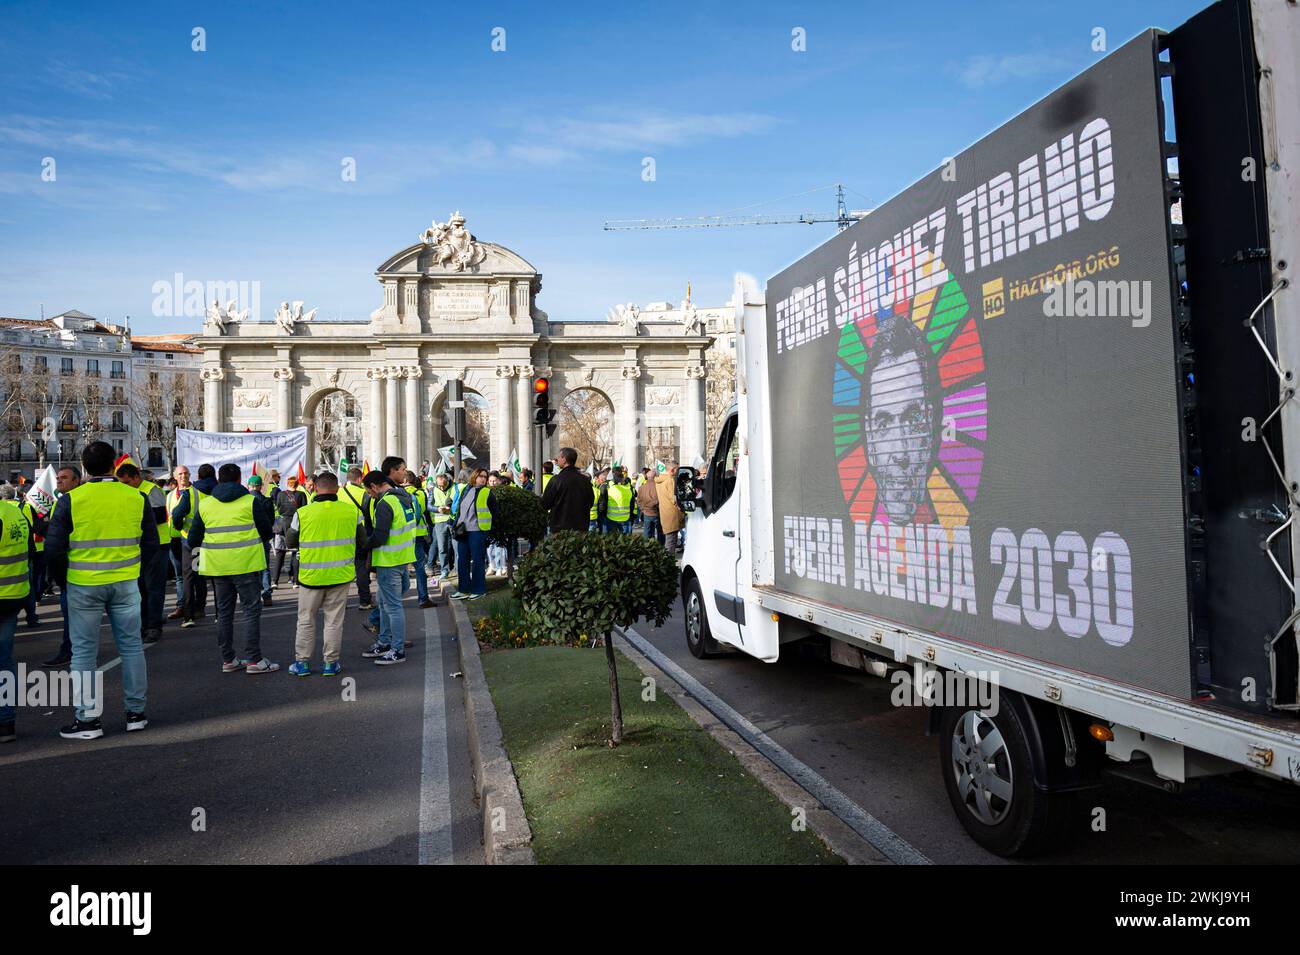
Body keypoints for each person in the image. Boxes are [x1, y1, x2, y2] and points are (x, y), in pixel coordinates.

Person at [44, 440, 159, 740]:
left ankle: (88, 720)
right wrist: (135, 571)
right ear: (114, 466)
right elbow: (150, 544)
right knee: (132, 647)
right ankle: (136, 713)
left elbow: (54, 549)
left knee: (83, 653)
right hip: (124, 583)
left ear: (83, 467)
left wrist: (63, 580)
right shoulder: (135, 497)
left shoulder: (70, 500)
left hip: (83, 584)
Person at [189, 462, 278, 674]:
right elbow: (267, 532)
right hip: (246, 564)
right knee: (250, 611)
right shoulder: (250, 502)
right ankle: (254, 659)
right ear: (240, 479)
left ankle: (228, 660)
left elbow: (193, 538)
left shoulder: (206, 504)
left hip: (218, 566)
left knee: (224, 613)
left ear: (218, 480)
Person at [286, 472, 366, 676]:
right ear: (337, 489)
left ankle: (302, 663)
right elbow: (362, 541)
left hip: (310, 577)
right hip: (340, 576)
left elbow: (290, 542)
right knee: (334, 621)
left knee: (305, 619)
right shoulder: (351, 512)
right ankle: (330, 663)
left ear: (315, 488)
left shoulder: (302, 513)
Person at [361, 464, 417, 665]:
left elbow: (380, 536)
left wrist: (363, 546)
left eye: (368, 491)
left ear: (375, 486)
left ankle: (397, 649)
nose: (369, 495)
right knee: (385, 605)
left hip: (389, 560)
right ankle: (385, 642)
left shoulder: (385, 503)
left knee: (392, 607)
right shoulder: (403, 498)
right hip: (401, 558)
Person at [116, 462, 170, 644]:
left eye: (127, 482)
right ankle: (144, 624)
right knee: (140, 590)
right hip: (139, 546)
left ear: (136, 478)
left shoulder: (150, 490)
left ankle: (153, 626)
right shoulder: (130, 493)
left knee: (153, 589)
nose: (124, 486)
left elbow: (160, 517)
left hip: (156, 546)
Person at [0, 491, 36, 742]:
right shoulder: (14, 511)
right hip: (14, 595)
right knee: (4, 660)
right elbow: (31, 552)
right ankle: (5, 722)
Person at [39, 465, 81, 668]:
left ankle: (71, 651)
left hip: (76, 569)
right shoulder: (61, 502)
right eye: (57, 478)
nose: (59, 481)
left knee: (72, 616)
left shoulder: (76, 500)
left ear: (76, 480)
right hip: (72, 568)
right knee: (71, 616)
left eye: (64, 478)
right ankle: (71, 649)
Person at [172, 462, 216, 628]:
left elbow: (177, 514)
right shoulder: (219, 491)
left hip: (190, 540)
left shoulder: (190, 492)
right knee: (211, 576)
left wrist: (178, 526)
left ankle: (188, 616)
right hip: (212, 540)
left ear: (198, 477)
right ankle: (209, 610)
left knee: (189, 576)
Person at [450, 468, 495, 601]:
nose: (483, 479)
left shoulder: (487, 492)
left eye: (485, 477)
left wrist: (489, 532)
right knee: (462, 560)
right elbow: (459, 509)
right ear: (474, 476)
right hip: (463, 531)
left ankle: (479, 590)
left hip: (478, 531)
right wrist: (455, 524)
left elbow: (495, 513)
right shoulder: (466, 490)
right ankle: (463, 590)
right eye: (480, 476)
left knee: (477, 561)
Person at [340, 467, 374, 611]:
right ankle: (364, 601)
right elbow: (371, 517)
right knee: (361, 568)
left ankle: (341, 602)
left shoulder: (338, 492)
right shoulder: (364, 494)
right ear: (359, 479)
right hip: (360, 535)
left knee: (341, 568)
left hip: (340, 535)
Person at [539, 447, 594, 534]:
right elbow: (590, 502)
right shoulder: (585, 481)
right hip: (581, 529)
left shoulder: (556, 480)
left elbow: (545, 504)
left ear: (564, 459)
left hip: (560, 530)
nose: (557, 460)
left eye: (559, 457)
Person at [271, 474, 308, 589]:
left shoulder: (281, 495)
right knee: (295, 553)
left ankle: (275, 582)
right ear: (297, 485)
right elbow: (304, 510)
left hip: (282, 526)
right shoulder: (301, 495)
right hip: (295, 525)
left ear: (287, 484)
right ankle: (295, 581)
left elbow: (278, 507)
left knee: (280, 553)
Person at [15, 489, 44, 627]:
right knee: (30, 584)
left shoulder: (14, 509)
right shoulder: (26, 508)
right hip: (29, 553)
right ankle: (31, 616)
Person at [405, 473, 434, 608]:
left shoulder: (396, 493)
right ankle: (423, 598)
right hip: (417, 533)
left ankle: (392, 601)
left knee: (399, 567)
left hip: (401, 535)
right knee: (419, 567)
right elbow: (423, 510)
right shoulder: (420, 493)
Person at [429, 472, 456, 579]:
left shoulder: (453, 488)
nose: (441, 487)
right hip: (439, 521)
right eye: (439, 485)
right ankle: (444, 570)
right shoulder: (433, 490)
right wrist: (438, 509)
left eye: (443, 485)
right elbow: (429, 506)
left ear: (447, 481)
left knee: (454, 547)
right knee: (442, 548)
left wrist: (451, 508)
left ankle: (455, 568)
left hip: (452, 520)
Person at [654, 464, 685, 554]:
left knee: (669, 540)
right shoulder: (670, 480)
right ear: (672, 470)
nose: (678, 472)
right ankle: (668, 564)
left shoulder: (660, 480)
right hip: (672, 514)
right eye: (677, 469)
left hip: (665, 512)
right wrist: (682, 507)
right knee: (671, 542)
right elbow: (674, 498)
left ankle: (667, 562)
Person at [485, 472, 508, 576]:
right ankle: (492, 566)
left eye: (494, 481)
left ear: (498, 481)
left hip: (499, 522)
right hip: (488, 523)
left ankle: (501, 566)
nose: (492, 483)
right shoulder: (485, 492)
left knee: (499, 547)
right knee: (489, 547)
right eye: (490, 481)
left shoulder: (502, 492)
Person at [604, 467, 634, 535]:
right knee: (624, 539)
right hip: (625, 518)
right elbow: (632, 503)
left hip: (611, 517)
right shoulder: (628, 489)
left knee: (611, 539)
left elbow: (603, 502)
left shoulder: (609, 488)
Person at [638, 467, 663, 544]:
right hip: (657, 513)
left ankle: (647, 548)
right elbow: (661, 500)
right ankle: (660, 548)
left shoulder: (641, 487)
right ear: (655, 477)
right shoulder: (659, 487)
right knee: (660, 533)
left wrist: (643, 509)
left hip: (646, 513)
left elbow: (639, 501)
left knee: (647, 532)